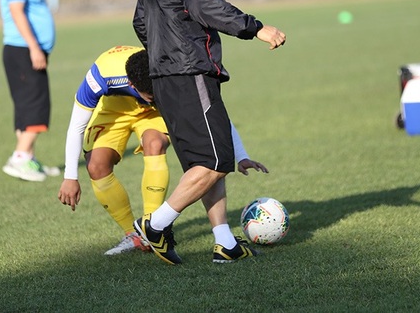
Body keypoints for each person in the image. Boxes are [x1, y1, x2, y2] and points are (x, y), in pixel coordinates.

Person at [132, 0, 286, 265]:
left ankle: (225, 243)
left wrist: (162, 57)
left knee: (204, 162)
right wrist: (256, 28)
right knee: (217, 161)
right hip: (190, 73)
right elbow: (207, 5)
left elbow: (140, 20)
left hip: (166, 75)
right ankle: (155, 225)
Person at [57, 45, 266, 256]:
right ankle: (134, 235)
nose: (154, 97)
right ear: (131, 84)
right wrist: (70, 177)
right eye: (150, 96)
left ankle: (153, 228)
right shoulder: (100, 75)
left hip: (153, 114)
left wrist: (241, 155)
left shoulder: (167, 73)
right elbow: (76, 127)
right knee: (96, 166)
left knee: (154, 143)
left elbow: (213, 117)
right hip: (115, 110)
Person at [0, 0, 60, 182]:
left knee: (26, 107)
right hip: (24, 50)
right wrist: (35, 47)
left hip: (27, 50)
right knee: (36, 105)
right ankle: (19, 157)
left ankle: (29, 159)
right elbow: (16, 12)